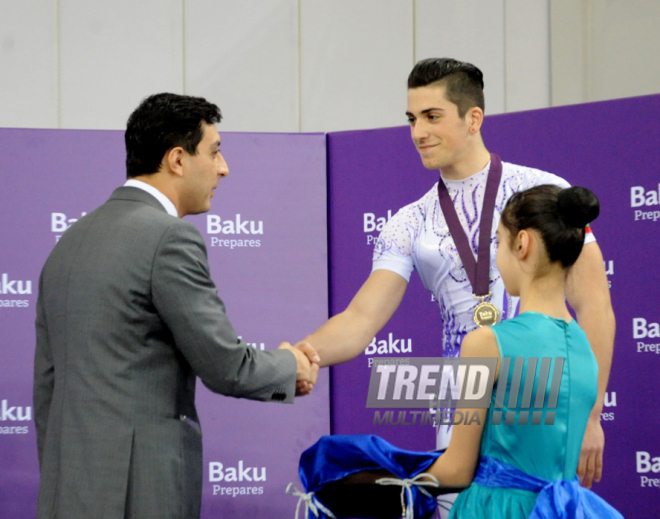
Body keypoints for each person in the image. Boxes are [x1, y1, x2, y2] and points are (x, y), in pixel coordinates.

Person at [297, 58, 613, 516]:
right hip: (462, 405)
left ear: (473, 118)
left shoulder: (546, 191)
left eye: (431, 116)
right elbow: (361, 318)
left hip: (543, 405)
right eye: (411, 119)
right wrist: (300, 355)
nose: (417, 132)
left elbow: (595, 306)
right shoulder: (409, 222)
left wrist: (592, 413)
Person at [33, 93, 319, 519]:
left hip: (67, 490)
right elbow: (225, 365)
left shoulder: (70, 241)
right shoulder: (169, 238)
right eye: (215, 151)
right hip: (140, 493)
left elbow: (46, 388)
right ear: (178, 160)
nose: (224, 168)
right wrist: (289, 367)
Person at [425, 184, 622, 518]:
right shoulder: (585, 351)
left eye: (498, 242)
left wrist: (385, 479)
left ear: (522, 243)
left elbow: (457, 469)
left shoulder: (487, 343)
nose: (497, 255)